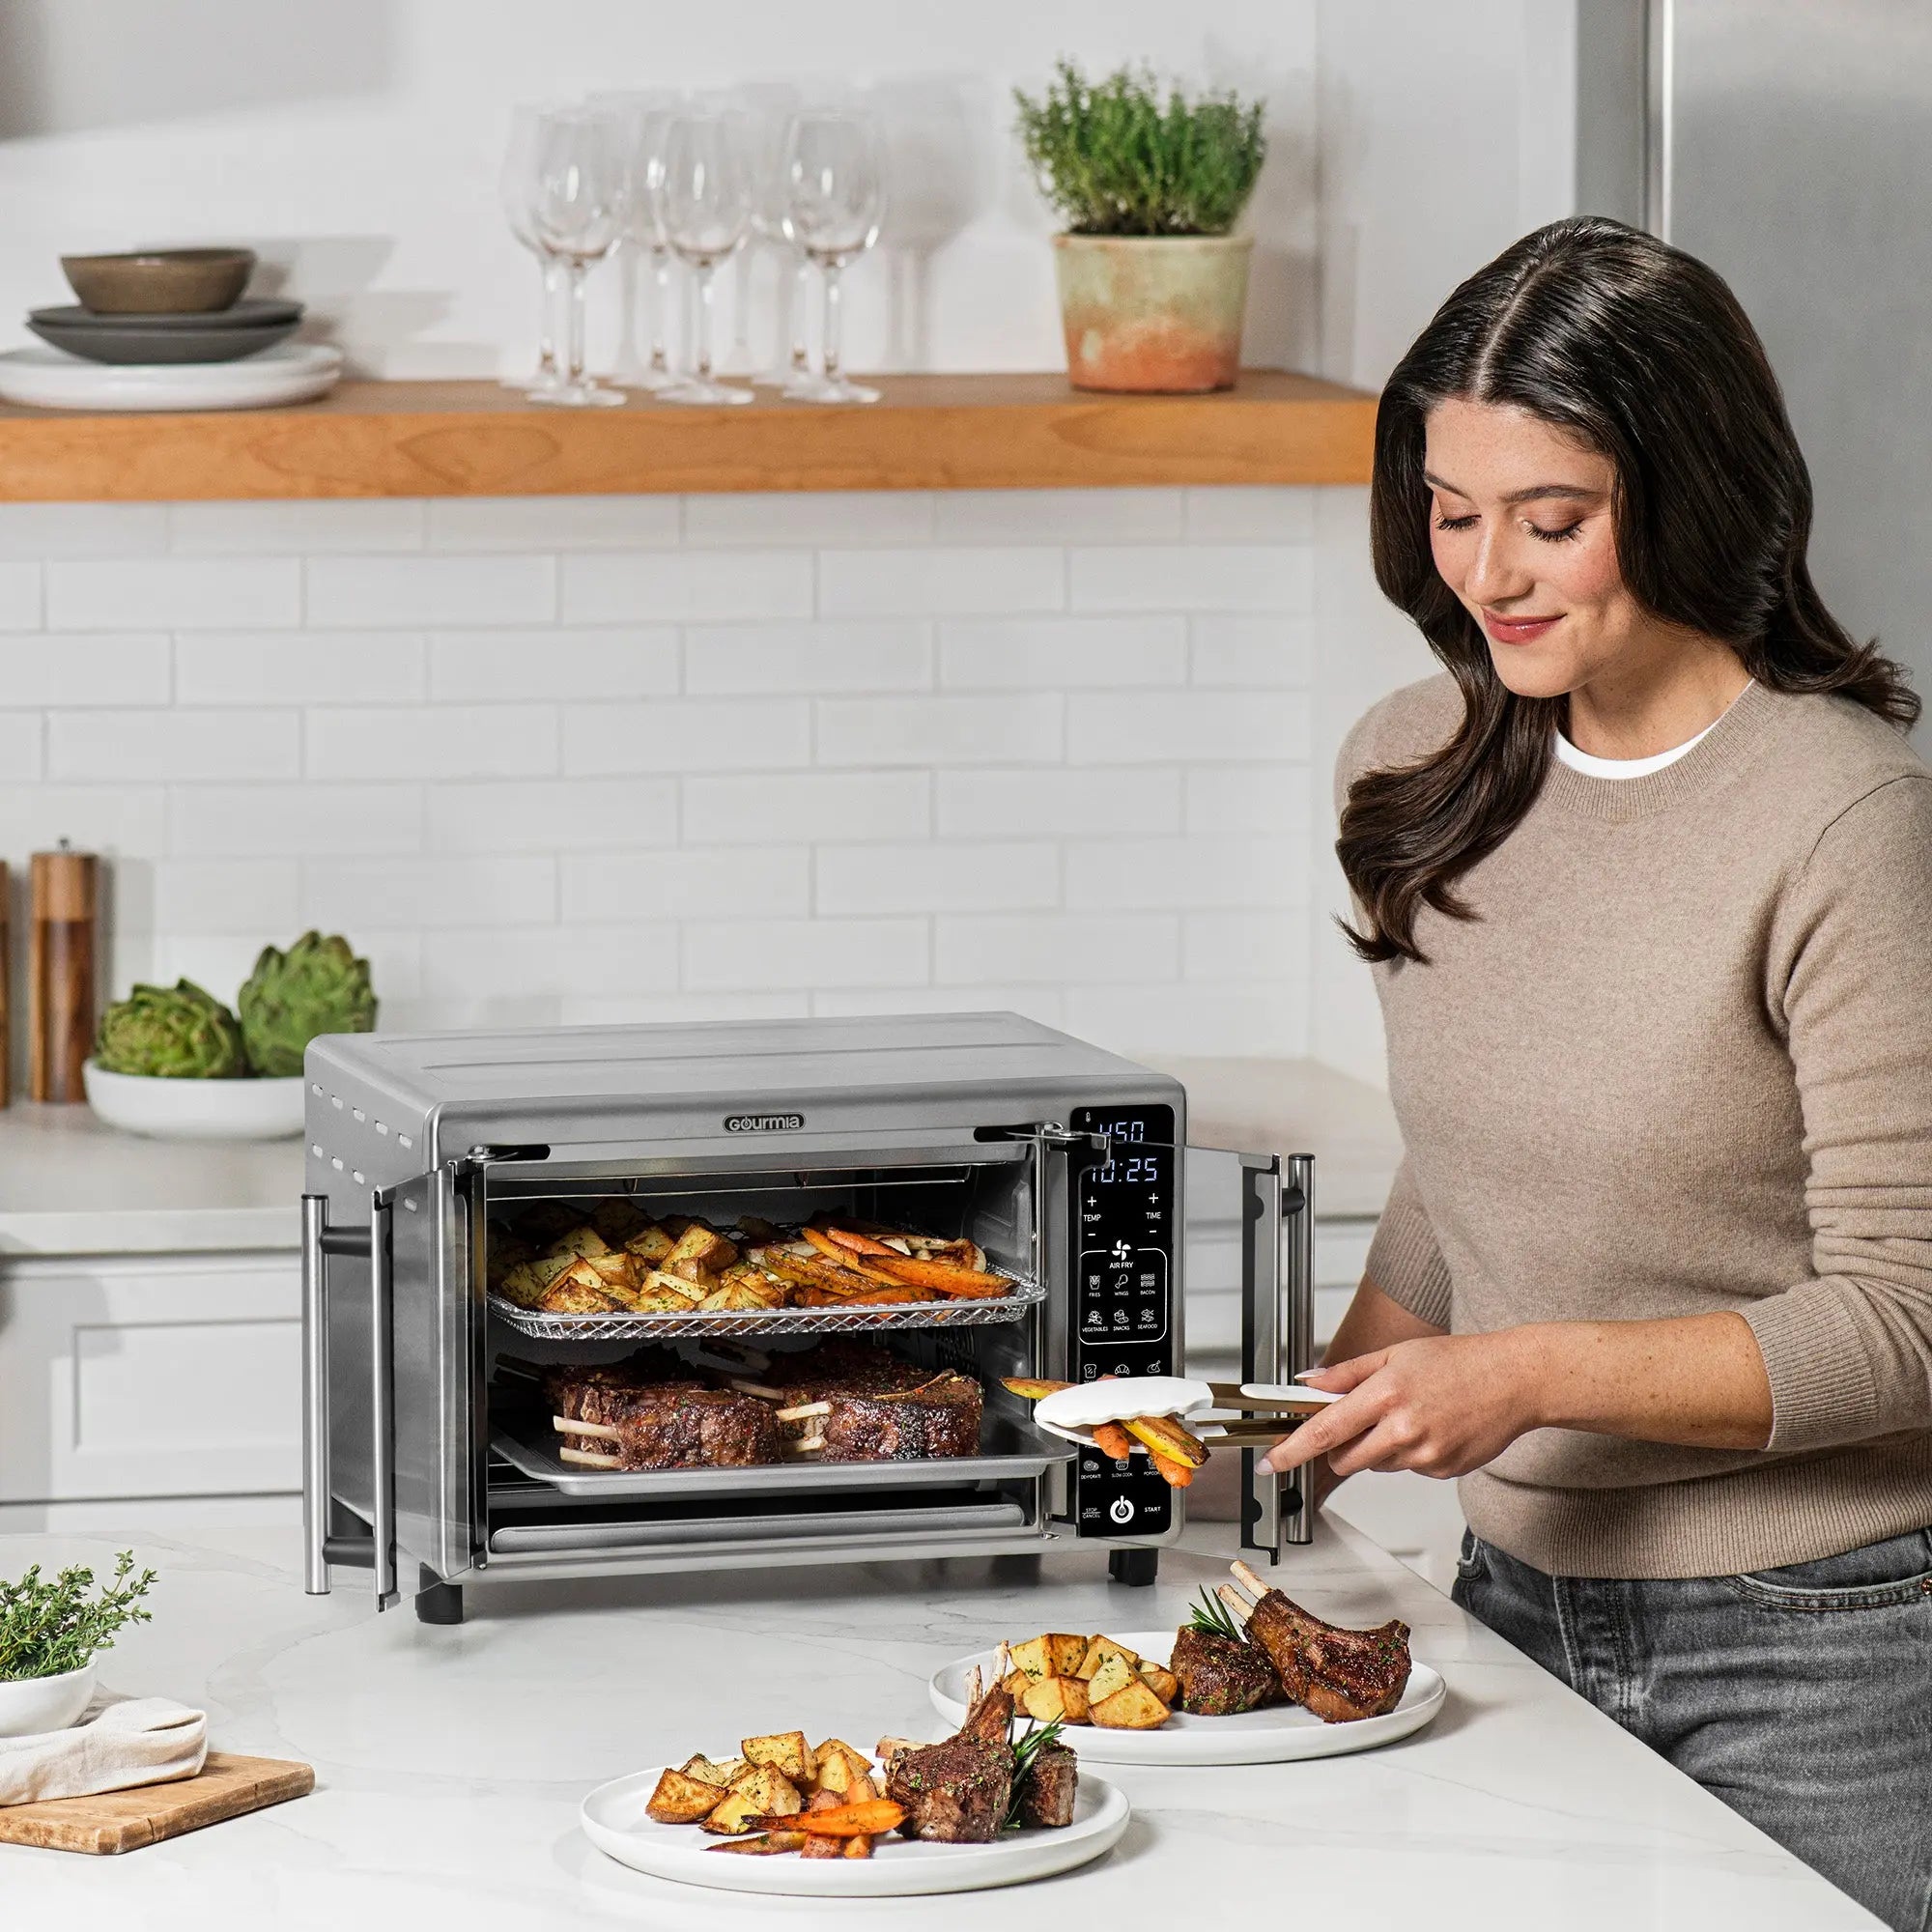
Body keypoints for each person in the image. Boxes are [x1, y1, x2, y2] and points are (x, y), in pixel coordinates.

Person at [1264, 215, 1932, 1931]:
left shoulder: (1845, 824)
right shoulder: (1416, 770)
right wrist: (1307, 1429)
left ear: (1692, 494)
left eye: (1554, 521)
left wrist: (1528, 1373)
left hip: (1825, 1651)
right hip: (1509, 1607)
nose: (1492, 572)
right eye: (1453, 511)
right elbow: (1469, 1154)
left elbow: (1907, 1317)